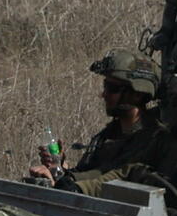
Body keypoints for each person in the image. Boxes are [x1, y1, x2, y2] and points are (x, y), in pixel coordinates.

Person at [53, 50, 168, 188]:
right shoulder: (107, 136)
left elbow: (116, 178)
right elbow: (87, 173)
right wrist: (59, 169)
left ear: (137, 94)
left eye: (112, 88)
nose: (104, 94)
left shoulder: (152, 141)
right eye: (105, 86)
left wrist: (73, 182)